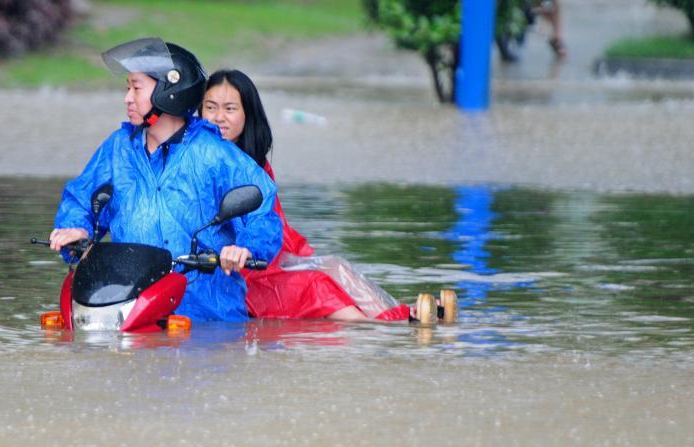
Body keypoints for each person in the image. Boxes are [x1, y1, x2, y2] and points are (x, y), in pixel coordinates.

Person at [49, 38, 282, 322]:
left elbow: (263, 212)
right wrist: (76, 229)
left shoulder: (215, 153)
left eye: (136, 88)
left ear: (169, 91)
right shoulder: (117, 148)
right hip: (128, 305)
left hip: (205, 314)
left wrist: (245, 247)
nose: (127, 98)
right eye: (127, 88)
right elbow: (81, 200)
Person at [201, 69, 442, 323]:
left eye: (230, 109)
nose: (219, 118)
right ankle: (387, 327)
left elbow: (268, 225)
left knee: (334, 266)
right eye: (211, 107)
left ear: (248, 114)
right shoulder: (197, 159)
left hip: (260, 255)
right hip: (232, 269)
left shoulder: (255, 165)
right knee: (317, 285)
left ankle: (399, 315)